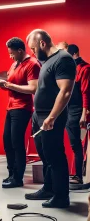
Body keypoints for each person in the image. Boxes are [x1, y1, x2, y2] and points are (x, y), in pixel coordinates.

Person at [25, 29, 76, 208]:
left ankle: (61, 197)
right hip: (39, 115)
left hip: (51, 116)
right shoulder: (47, 61)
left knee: (55, 156)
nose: (32, 52)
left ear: (42, 43)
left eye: (32, 48)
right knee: (45, 155)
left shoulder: (63, 59)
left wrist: (52, 117)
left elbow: (66, 91)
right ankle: (48, 188)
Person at [0, 37, 41, 188]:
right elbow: (13, 84)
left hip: (22, 107)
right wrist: (6, 86)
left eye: (12, 53)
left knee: (16, 142)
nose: (10, 56)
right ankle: (11, 174)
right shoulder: (15, 64)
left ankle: (17, 178)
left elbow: (33, 89)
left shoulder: (32, 64)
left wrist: (9, 84)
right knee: (7, 141)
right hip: (11, 107)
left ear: (20, 51)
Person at [57, 43, 90, 185]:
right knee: (73, 144)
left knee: (76, 144)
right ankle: (76, 174)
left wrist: (84, 113)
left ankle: (79, 176)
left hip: (77, 111)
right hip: (68, 110)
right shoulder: (70, 69)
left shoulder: (84, 68)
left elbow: (86, 92)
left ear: (74, 54)